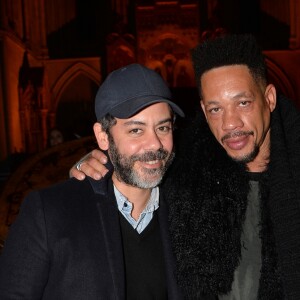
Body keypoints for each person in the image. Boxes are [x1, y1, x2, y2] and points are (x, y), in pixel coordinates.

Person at [70, 34, 300, 299]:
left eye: (243, 103)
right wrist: (94, 165)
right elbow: (135, 169)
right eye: (216, 109)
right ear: (203, 110)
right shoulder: (185, 176)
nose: (230, 123)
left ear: (269, 98)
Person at [0, 64, 192, 299]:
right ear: (103, 136)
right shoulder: (49, 213)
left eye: (163, 127)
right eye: (136, 130)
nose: (155, 144)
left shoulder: (190, 211)